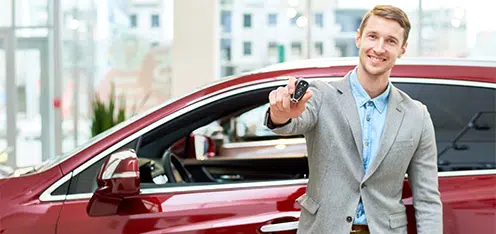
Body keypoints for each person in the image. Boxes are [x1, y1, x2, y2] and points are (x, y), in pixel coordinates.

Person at [264, 5, 442, 234]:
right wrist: (280, 113)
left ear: (402, 49)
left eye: (390, 41)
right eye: (372, 36)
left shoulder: (417, 115)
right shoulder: (321, 95)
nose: (379, 48)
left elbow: (427, 199)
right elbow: (290, 123)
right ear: (358, 38)